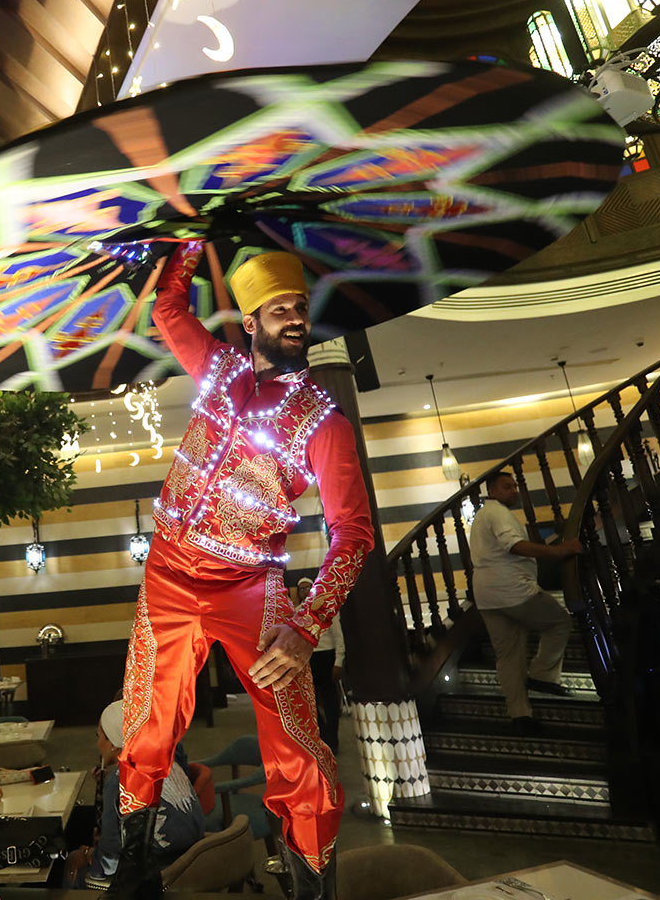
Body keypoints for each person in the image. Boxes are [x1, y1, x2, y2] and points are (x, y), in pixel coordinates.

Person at [115, 245, 374, 900]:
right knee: (146, 721)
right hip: (169, 572)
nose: (295, 319)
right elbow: (170, 308)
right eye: (280, 309)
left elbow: (354, 534)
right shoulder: (217, 369)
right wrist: (186, 250)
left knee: (294, 738)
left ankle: (313, 886)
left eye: (301, 309)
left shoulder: (323, 419)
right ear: (252, 322)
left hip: (249, 584)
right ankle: (136, 873)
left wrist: (306, 628)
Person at [468, 472, 582, 732]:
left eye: (515, 486)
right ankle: (542, 675)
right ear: (493, 492)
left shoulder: (483, 516)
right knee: (560, 622)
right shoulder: (497, 512)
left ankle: (520, 715)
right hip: (513, 589)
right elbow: (515, 546)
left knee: (508, 655)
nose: (514, 490)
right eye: (507, 487)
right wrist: (558, 551)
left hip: (487, 596)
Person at [67, 701, 203, 889]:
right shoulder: (166, 761)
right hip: (194, 864)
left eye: (99, 737)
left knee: (71, 867)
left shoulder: (120, 779)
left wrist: (89, 859)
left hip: (157, 877)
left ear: (113, 744)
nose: (98, 744)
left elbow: (110, 861)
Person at [294, 578, 346, 754]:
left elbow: (339, 638)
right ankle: (323, 737)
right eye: (302, 589)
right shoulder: (296, 613)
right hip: (309, 659)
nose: (305, 591)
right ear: (298, 593)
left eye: (309, 587)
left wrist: (338, 662)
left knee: (331, 703)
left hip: (327, 657)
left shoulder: (327, 609)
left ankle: (333, 739)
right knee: (311, 703)